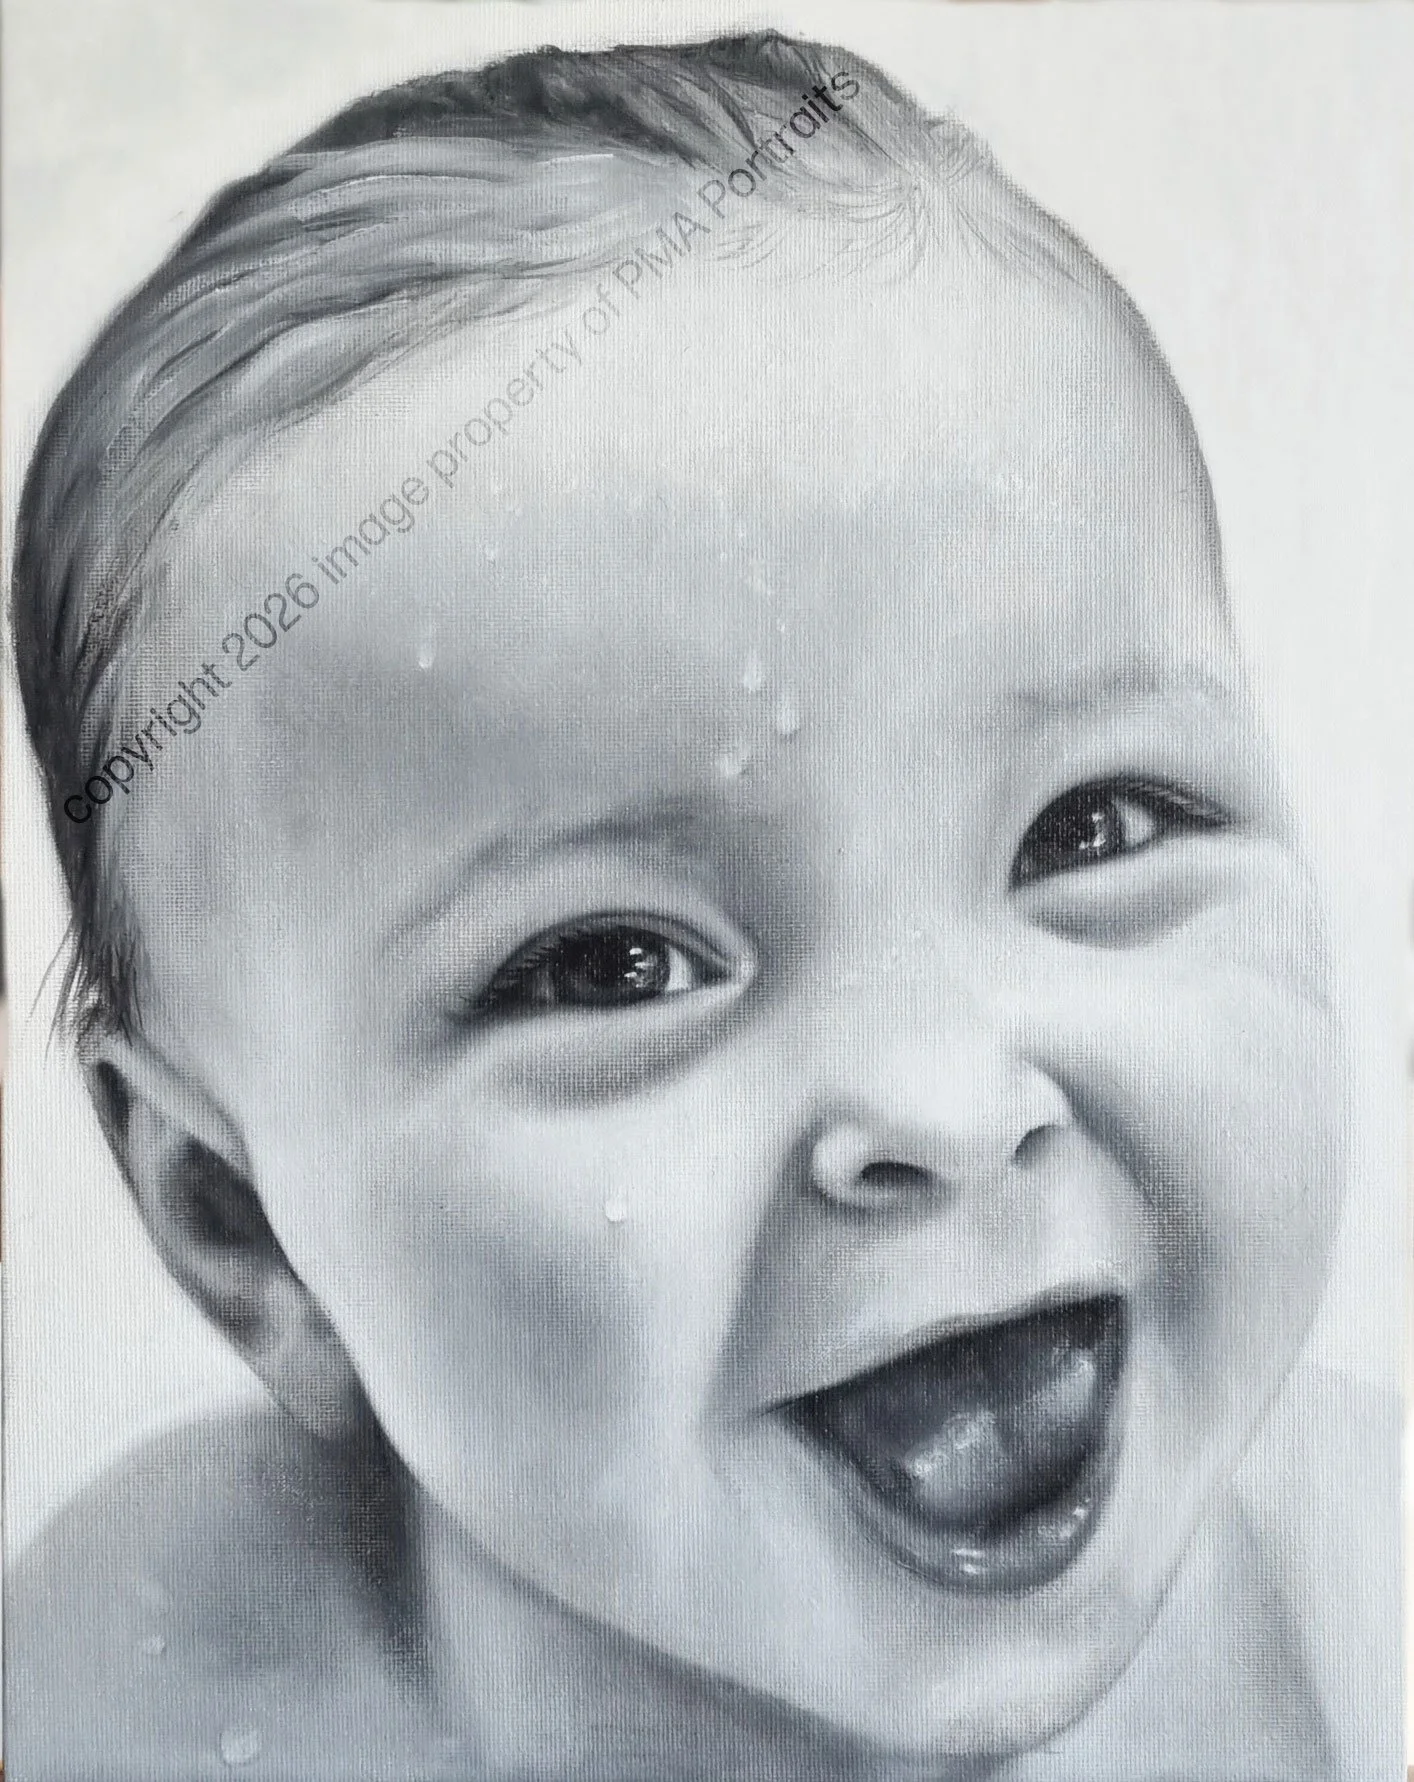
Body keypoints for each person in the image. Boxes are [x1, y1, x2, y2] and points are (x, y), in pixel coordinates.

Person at [7, 30, 1399, 1781]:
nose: (948, 1111)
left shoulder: (1374, 1612)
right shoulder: (119, 1692)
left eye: (1092, 826)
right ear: (240, 1229)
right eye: (617, 963)